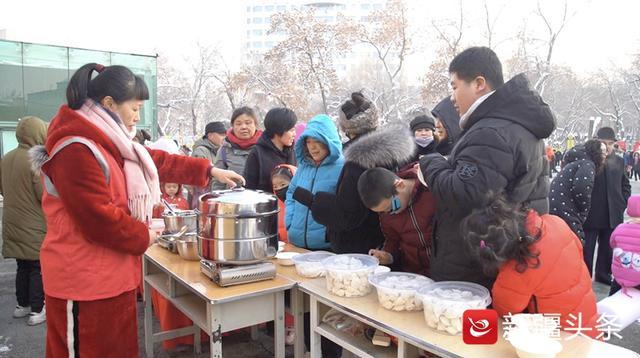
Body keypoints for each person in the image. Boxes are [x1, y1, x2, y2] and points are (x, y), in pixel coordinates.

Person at [29, 63, 244, 357]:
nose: (137, 116)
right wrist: (147, 234)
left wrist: (210, 171)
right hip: (81, 282)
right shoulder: (75, 148)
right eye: (134, 107)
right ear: (109, 104)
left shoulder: (109, 140)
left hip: (113, 275)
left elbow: (154, 159)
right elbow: (98, 220)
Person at [418, 46, 556, 289]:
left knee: (470, 326)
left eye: (454, 86)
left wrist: (431, 162)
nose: (452, 97)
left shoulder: (490, 132)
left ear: (479, 83)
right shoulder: (514, 125)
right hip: (502, 258)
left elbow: (463, 195)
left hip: (475, 267)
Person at [292, 92, 416, 254]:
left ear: (346, 128)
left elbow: (347, 215)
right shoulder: (399, 153)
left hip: (361, 248)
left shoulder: (357, 162)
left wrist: (311, 200)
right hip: (397, 244)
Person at [462, 193, 599, 338]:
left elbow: (505, 312)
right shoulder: (554, 222)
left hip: (564, 337)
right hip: (589, 323)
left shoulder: (519, 270)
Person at [1, 116, 48, 326]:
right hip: (34, 222)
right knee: (37, 265)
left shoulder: (7, 158)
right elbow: (43, 194)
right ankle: (37, 311)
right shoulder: (35, 158)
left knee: (22, 265)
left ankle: (23, 306)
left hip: (12, 220)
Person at [358, 167, 436, 276]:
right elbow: (393, 239)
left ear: (400, 185)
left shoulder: (431, 188)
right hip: (413, 275)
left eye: (392, 207)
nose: (389, 213)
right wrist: (388, 256)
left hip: (443, 273)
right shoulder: (387, 214)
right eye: (382, 212)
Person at [285, 114, 344, 250]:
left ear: (329, 140)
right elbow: (291, 193)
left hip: (327, 247)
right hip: (297, 243)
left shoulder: (343, 167)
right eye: (308, 142)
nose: (313, 147)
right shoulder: (304, 166)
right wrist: (290, 222)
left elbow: (342, 207)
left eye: (317, 141)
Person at [583, 127, 631, 285]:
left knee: (607, 249)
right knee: (587, 249)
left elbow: (625, 184)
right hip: (591, 213)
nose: (607, 147)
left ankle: (603, 275)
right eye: (603, 143)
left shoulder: (619, 161)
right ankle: (584, 276)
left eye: (610, 143)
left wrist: (623, 202)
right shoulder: (589, 159)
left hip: (612, 213)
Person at [549, 139, 606, 242]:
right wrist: (583, 210)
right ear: (596, 153)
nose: (605, 155)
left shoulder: (576, 162)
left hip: (556, 205)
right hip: (565, 208)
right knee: (575, 241)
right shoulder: (588, 164)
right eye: (603, 152)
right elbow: (582, 188)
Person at [244, 107, 297, 192]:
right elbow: (249, 188)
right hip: (266, 203)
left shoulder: (293, 152)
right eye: (291, 130)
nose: (294, 134)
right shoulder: (257, 153)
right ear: (279, 129)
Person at [212, 107, 262, 190]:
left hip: (262, 200)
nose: (243, 127)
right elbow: (218, 182)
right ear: (233, 126)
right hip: (233, 201)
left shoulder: (265, 147)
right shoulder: (224, 150)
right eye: (238, 124)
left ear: (255, 125)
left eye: (248, 123)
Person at [272, 165, 297, 243]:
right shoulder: (275, 207)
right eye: (275, 187)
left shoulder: (303, 206)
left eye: (283, 185)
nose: (279, 189)